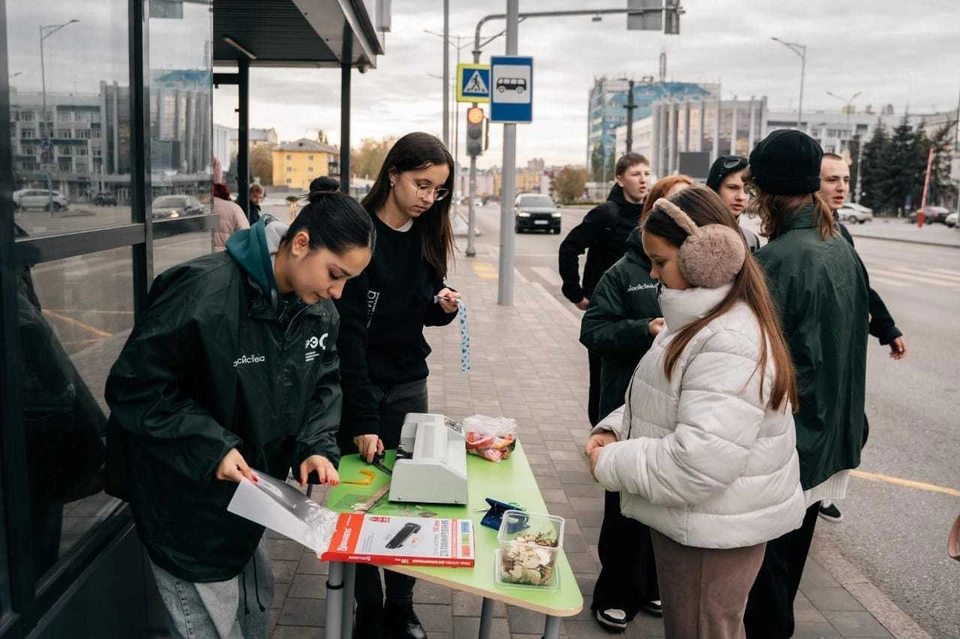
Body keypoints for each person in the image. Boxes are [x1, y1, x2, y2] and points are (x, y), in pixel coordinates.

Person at [104, 192, 375, 639]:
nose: (337, 292)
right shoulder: (200, 290)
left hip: (251, 500)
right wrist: (212, 448)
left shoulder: (320, 311)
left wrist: (315, 446)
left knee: (253, 616)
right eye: (334, 274)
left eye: (348, 280)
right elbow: (135, 389)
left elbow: (323, 384)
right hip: (185, 504)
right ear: (301, 243)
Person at [586, 187, 806, 639]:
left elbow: (699, 461)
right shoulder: (697, 317)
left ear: (706, 257)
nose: (652, 272)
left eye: (660, 261)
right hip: (700, 523)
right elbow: (666, 401)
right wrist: (615, 428)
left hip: (711, 535)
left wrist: (611, 462)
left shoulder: (727, 339)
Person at [742, 130, 869, 639]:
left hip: (788, 447)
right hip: (827, 436)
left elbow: (753, 366)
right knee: (786, 571)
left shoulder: (778, 260)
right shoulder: (838, 245)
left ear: (769, 193)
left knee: (764, 584)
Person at [335, 132, 460, 639]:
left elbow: (422, 307)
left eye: (438, 190)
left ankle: (402, 605)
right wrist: (362, 417)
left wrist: (442, 306)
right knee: (363, 498)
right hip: (359, 381)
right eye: (421, 184)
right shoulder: (358, 233)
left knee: (412, 495)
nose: (429, 198)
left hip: (410, 383)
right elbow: (348, 335)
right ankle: (368, 606)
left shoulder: (430, 233)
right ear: (393, 173)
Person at [579, 198, 666, 630]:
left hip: (669, 408)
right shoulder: (624, 272)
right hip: (626, 404)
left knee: (661, 500)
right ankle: (614, 592)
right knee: (624, 506)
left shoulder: (696, 275)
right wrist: (643, 330)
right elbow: (592, 330)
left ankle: (651, 583)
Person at [815, 152, 907, 523]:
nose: (840, 188)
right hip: (818, 347)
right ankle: (813, 493)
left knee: (852, 426)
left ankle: (819, 493)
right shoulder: (805, 229)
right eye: (831, 180)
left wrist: (887, 329)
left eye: (845, 180)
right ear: (812, 182)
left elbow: (860, 287)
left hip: (839, 347)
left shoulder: (841, 229)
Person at [558, 153, 651, 426]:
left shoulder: (652, 215)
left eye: (646, 173)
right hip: (609, 311)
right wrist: (576, 293)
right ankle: (599, 435)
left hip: (639, 310)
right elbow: (570, 247)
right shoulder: (606, 213)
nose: (643, 179)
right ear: (620, 180)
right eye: (636, 174)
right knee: (603, 380)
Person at [706, 155, 762, 252]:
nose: (741, 197)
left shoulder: (751, 240)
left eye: (747, 189)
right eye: (732, 187)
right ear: (714, 189)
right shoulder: (693, 234)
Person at [213, 182, 250, 252]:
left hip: (198, 259)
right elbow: (245, 237)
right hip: (225, 258)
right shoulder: (234, 208)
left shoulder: (200, 206)